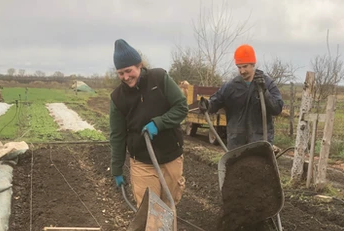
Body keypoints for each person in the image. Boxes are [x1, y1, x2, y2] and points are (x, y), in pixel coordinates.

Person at [110, 39, 189, 207]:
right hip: (142, 161)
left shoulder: (159, 79)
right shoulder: (117, 98)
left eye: (128, 71)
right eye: (120, 73)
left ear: (139, 65)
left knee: (169, 205)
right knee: (148, 211)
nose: (125, 77)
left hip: (170, 156)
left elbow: (181, 107)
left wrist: (159, 123)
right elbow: (117, 135)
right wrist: (116, 168)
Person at [199, 44, 283, 149]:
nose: (242, 71)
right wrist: (207, 104)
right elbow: (215, 102)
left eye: (245, 66)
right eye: (239, 67)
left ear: (253, 64)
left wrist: (264, 91)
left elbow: (277, 108)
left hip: (260, 143)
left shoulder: (267, 83)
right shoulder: (230, 87)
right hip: (237, 144)